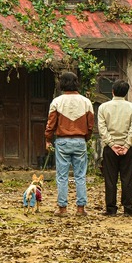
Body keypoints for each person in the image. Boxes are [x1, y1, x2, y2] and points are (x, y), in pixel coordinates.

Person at [45, 71, 95, 217]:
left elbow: (51, 124)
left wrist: (48, 139)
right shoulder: (86, 102)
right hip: (80, 140)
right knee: (80, 176)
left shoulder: (57, 102)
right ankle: (80, 208)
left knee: (62, 176)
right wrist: (86, 137)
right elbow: (91, 125)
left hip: (62, 141)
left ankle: (62, 208)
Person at [97, 79, 132, 216]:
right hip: (126, 148)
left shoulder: (103, 107)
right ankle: (128, 208)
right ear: (126, 93)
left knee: (110, 179)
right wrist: (126, 145)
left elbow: (102, 128)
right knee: (127, 179)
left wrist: (111, 144)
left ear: (113, 91)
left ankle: (111, 208)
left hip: (110, 148)